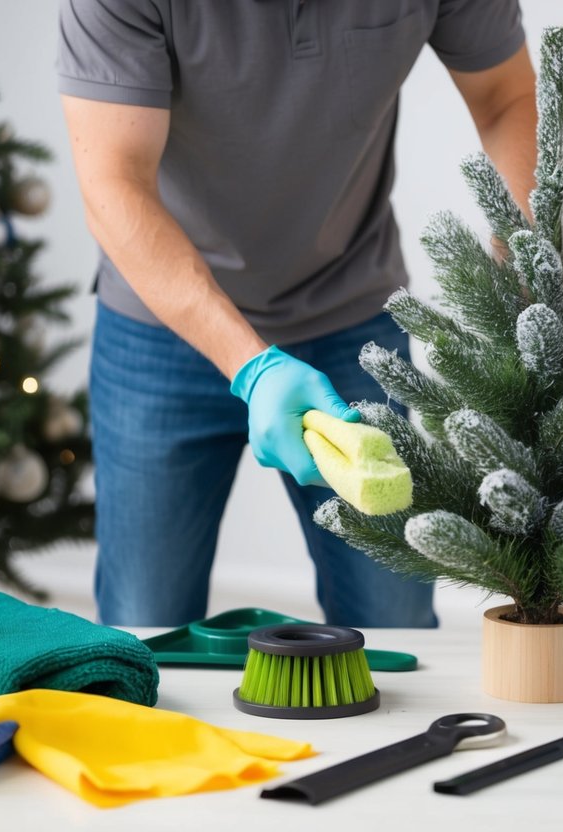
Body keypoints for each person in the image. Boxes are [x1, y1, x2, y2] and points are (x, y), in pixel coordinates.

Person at [57, 0, 538, 627]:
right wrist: (253, 368)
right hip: (161, 324)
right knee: (146, 623)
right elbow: (114, 183)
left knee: (394, 621)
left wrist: (521, 273)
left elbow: (505, 94)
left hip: (350, 313)